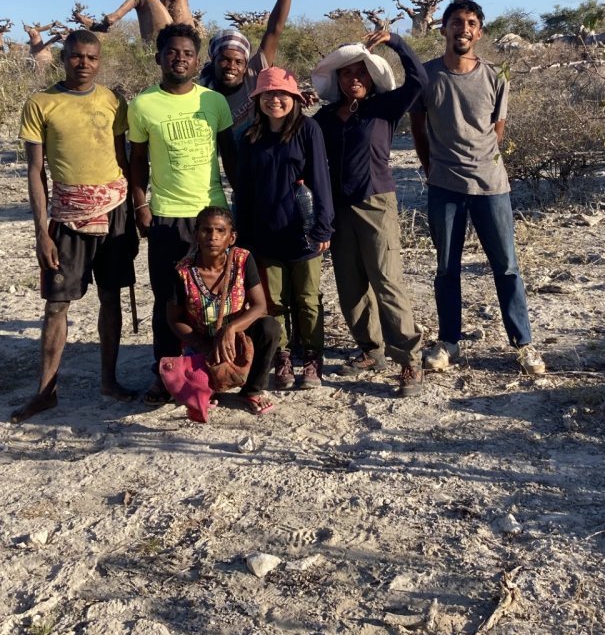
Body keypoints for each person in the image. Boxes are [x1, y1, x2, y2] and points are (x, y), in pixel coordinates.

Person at [409, 0, 545, 376]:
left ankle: (523, 343)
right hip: (444, 185)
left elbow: (495, 132)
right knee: (446, 268)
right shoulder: (426, 75)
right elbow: (418, 128)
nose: (463, 28)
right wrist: (430, 167)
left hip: (491, 186)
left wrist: (481, 163)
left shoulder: (495, 76)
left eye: (471, 23)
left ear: (479, 32)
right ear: (444, 28)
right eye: (456, 21)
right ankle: (448, 342)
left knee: (506, 267)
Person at [11, 29, 139, 423]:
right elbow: (36, 173)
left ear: (100, 61)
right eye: (76, 56)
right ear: (63, 58)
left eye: (91, 57)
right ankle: (45, 391)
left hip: (115, 209)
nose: (84, 63)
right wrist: (41, 232)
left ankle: (109, 380)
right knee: (56, 305)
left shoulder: (113, 100)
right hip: (67, 214)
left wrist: (137, 208)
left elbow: (124, 158)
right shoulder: (40, 103)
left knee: (111, 297)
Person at [312, 31, 427, 397]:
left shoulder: (384, 107)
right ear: (338, 79)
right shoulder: (326, 116)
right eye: (346, 74)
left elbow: (420, 80)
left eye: (360, 72)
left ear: (372, 75)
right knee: (350, 284)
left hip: (376, 202)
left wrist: (396, 42)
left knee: (386, 280)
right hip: (337, 207)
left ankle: (409, 359)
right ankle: (371, 349)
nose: (354, 79)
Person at [128, 23, 236, 404]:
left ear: (197, 60)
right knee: (168, 298)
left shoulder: (214, 102)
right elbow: (137, 162)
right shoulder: (143, 105)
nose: (180, 59)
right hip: (167, 217)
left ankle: (209, 366)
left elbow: (231, 157)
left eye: (188, 53)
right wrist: (140, 204)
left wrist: (244, 206)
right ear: (158, 57)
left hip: (210, 216)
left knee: (214, 296)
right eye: (172, 52)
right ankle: (166, 370)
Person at [234, 68, 334, 389]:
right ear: (258, 99)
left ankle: (313, 358)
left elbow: (320, 180)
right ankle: (283, 357)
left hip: (303, 233)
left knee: (307, 297)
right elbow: (244, 191)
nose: (275, 100)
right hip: (264, 234)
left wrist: (323, 227)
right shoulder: (249, 137)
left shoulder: (308, 130)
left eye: (281, 94)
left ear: (294, 98)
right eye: (268, 94)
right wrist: (243, 235)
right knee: (273, 301)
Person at [167, 206, 280, 415]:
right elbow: (174, 319)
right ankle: (204, 385)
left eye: (220, 231)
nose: (213, 237)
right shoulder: (182, 271)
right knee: (196, 396)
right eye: (206, 230)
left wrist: (230, 329)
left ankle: (252, 390)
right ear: (195, 235)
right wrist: (204, 346)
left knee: (270, 327)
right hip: (200, 344)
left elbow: (259, 306)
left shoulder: (243, 260)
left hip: (236, 340)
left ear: (232, 237)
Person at [198, 0, 311, 126]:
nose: (231, 66)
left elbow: (275, 29)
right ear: (213, 59)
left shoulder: (254, 74)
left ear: (246, 63)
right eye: (224, 59)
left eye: (238, 61)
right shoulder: (203, 92)